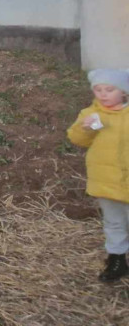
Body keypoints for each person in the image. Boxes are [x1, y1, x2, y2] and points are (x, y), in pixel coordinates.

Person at [67, 68, 129, 282]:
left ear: (123, 92)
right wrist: (86, 128)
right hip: (107, 182)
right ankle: (117, 260)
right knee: (114, 222)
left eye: (109, 89)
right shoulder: (91, 114)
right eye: (98, 89)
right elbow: (77, 139)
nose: (103, 94)